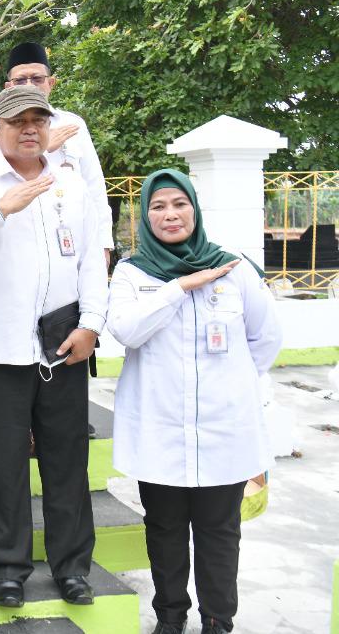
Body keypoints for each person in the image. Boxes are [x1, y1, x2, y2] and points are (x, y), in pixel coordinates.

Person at [0, 86, 108, 609]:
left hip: (64, 344)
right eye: (16, 120)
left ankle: (72, 566)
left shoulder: (70, 184)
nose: (29, 128)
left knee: (66, 460)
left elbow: (91, 261)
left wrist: (92, 324)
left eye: (38, 119)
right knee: (1, 464)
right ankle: (7, 568)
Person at [107, 169, 281, 634]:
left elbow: (265, 340)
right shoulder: (132, 272)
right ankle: (170, 616)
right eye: (158, 206)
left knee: (220, 534)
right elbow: (126, 330)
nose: (170, 214)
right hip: (159, 428)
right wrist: (180, 287)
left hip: (224, 429)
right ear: (145, 215)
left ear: (194, 210)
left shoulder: (235, 268)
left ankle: (218, 621)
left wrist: (230, 387)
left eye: (179, 204)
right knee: (163, 530)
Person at [3, 43, 113, 264]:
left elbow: (95, 187)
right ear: (8, 87)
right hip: (21, 236)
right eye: (20, 80)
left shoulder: (73, 124)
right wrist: (42, 146)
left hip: (74, 232)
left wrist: (103, 242)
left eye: (37, 79)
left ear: (50, 83)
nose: (29, 86)